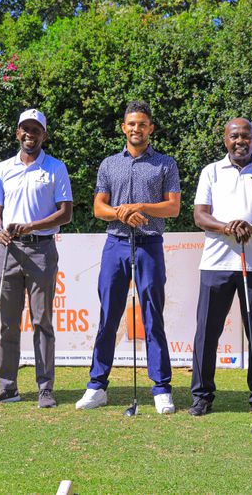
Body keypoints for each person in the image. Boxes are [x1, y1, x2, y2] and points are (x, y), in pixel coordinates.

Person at [75, 101, 181, 414]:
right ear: (124, 127)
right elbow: (99, 208)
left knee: (152, 316)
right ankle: (97, 385)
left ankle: (161, 388)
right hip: (116, 244)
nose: (137, 129)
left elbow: (173, 207)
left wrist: (141, 207)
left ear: (151, 128)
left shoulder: (165, 164)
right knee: (109, 315)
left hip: (149, 244)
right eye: (132, 124)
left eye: (142, 124)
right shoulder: (109, 164)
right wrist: (123, 213)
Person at [189, 118, 252, 418]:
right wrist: (226, 227)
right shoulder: (211, 171)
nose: (240, 141)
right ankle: (202, 395)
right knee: (207, 331)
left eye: (246, 136)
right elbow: (200, 215)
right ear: (225, 140)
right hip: (216, 263)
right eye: (234, 136)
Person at [0, 109, 73, 409]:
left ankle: (45, 387)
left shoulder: (55, 168)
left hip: (41, 250)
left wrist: (32, 226)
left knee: (41, 321)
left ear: (43, 135)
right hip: (8, 250)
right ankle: (7, 386)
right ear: (17, 132)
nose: (30, 134)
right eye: (25, 129)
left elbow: (65, 213)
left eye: (36, 130)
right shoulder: (3, 168)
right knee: (8, 323)